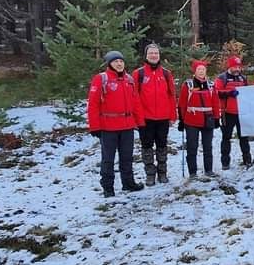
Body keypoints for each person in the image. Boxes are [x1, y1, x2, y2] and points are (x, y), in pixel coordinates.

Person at [88, 50, 146, 197]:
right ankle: (108, 187)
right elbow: (93, 104)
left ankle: (128, 183)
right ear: (109, 64)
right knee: (108, 159)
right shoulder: (101, 79)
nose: (119, 64)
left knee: (127, 157)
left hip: (127, 126)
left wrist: (140, 123)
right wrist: (94, 126)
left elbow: (136, 103)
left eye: (121, 61)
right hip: (108, 127)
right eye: (115, 62)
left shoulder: (129, 80)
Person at [133, 43, 177, 185]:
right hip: (146, 118)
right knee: (146, 146)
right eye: (151, 53)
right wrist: (137, 118)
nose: (154, 55)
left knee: (162, 146)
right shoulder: (138, 74)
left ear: (159, 55)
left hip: (163, 117)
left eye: (156, 53)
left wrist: (173, 115)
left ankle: (162, 173)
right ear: (146, 55)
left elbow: (171, 95)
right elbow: (134, 96)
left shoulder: (166, 73)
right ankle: (150, 174)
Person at [178, 60, 221, 178]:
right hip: (191, 120)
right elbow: (182, 104)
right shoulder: (188, 85)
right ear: (195, 71)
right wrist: (181, 120)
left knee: (208, 146)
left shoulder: (211, 85)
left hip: (208, 119)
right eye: (199, 69)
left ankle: (208, 170)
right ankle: (192, 172)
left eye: (203, 69)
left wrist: (217, 118)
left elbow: (216, 103)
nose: (201, 71)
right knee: (192, 147)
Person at [214, 55, 253, 169]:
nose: (237, 69)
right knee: (226, 137)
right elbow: (216, 93)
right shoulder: (222, 78)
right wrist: (229, 93)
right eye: (235, 67)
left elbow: (248, 93)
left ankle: (247, 160)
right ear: (230, 66)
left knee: (244, 137)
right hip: (227, 113)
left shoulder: (242, 78)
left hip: (241, 113)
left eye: (239, 67)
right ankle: (225, 163)